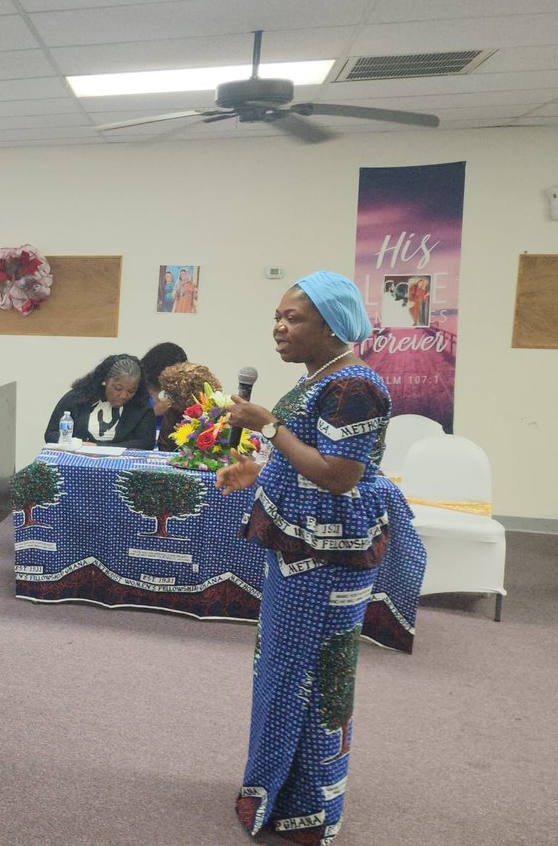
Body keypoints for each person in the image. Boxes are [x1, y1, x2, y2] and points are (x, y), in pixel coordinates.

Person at [216, 271, 427, 845]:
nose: (279, 328)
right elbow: (311, 457)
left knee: (311, 677)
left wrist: (268, 425)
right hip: (300, 550)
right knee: (286, 673)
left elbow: (340, 475)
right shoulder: (321, 377)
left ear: (332, 325)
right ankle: (279, 793)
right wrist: (258, 472)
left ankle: (307, 807)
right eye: (277, 317)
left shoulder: (355, 385)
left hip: (327, 560)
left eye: (294, 318)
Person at [43, 354, 156, 449]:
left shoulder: (141, 405)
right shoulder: (77, 398)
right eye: (118, 388)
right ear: (105, 380)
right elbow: (51, 434)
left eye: (131, 391)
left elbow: (145, 443)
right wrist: (77, 444)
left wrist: (97, 447)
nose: (123, 395)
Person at [155, 361, 222, 452]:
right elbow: (164, 447)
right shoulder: (172, 412)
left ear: (182, 396)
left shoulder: (215, 413)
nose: (168, 399)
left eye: (171, 395)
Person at [140, 341, 189, 422]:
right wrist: (153, 412)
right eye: (174, 369)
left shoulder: (179, 390)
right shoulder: (138, 388)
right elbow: (126, 420)